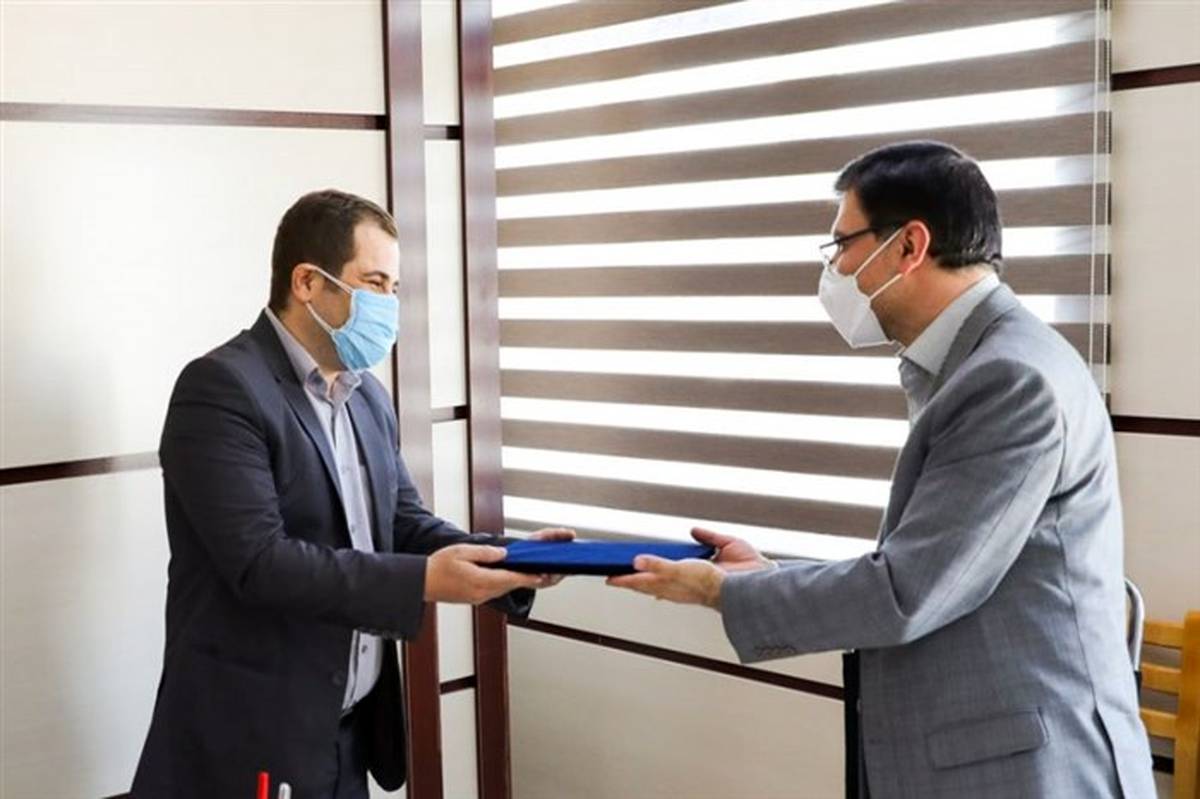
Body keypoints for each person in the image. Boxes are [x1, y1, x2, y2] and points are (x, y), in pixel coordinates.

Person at [609, 142, 1155, 798]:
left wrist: (721, 591)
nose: (835, 268)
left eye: (843, 244)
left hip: (1027, 768)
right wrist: (768, 576)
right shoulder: (980, 362)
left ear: (909, 246)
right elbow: (929, 561)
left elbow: (908, 591)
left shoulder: (1008, 378)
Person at [132, 189, 571, 798]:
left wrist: (508, 560)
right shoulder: (221, 388)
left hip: (347, 738)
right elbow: (260, 563)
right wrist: (425, 581)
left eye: (395, 288)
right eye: (374, 283)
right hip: (251, 738)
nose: (388, 305)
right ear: (308, 283)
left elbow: (402, 522)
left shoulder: (365, 395)